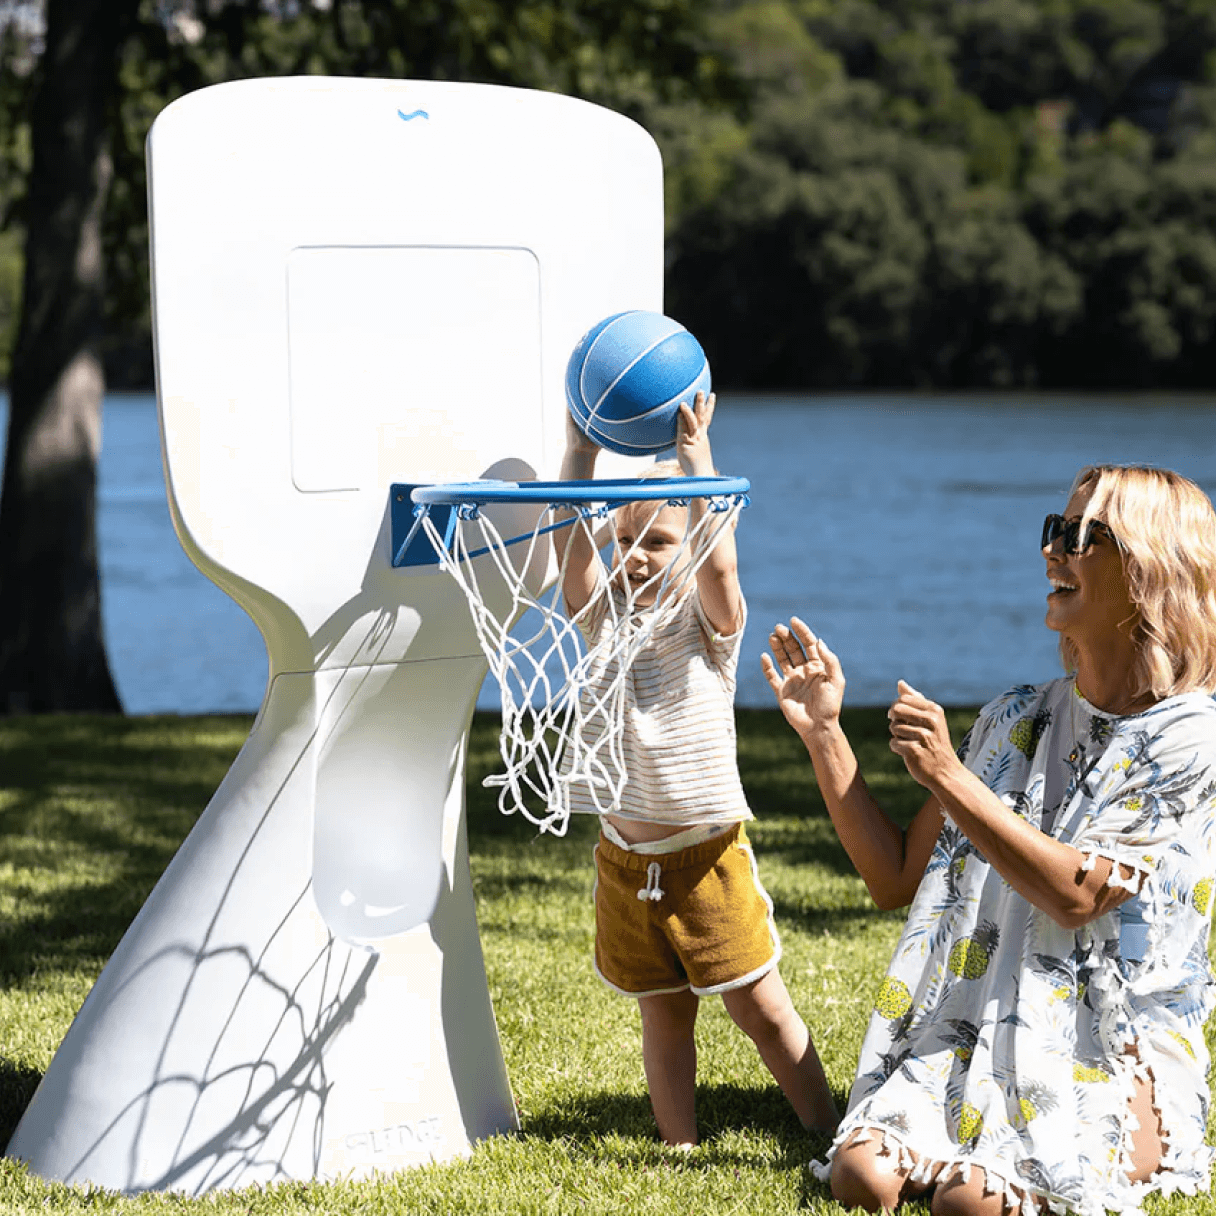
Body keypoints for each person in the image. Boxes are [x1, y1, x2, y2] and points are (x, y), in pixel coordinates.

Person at [762, 464, 1216, 1215]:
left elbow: (1078, 895)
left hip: (1110, 1042)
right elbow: (895, 879)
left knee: (969, 1205)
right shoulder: (1015, 716)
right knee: (860, 1177)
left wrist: (949, 774)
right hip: (983, 1022)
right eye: (1053, 532)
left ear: (1148, 570)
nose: (1053, 552)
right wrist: (824, 737)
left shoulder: (1191, 735)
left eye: (1082, 538)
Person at [555, 390, 838, 1147]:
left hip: (705, 858)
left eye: (658, 542)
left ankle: (825, 1124)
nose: (637, 556)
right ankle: (679, 1146)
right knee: (663, 1011)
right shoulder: (605, 617)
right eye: (627, 541)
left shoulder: (710, 626)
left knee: (758, 1007)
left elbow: (722, 565)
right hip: (624, 863)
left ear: (689, 545)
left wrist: (698, 463)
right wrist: (581, 454)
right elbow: (572, 560)